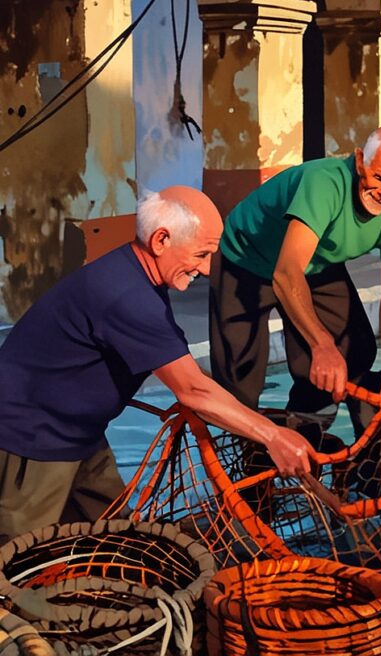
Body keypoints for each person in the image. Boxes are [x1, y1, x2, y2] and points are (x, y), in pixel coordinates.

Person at [0, 186, 316, 540]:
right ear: (161, 239)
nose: (208, 268)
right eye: (200, 253)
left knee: (116, 536)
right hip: (29, 439)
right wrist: (272, 436)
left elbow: (183, 371)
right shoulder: (128, 297)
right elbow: (193, 389)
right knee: (20, 557)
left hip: (81, 435)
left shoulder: (132, 273)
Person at [210, 125, 381, 435]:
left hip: (317, 263)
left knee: (355, 353)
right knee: (238, 381)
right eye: (380, 178)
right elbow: (285, 274)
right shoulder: (324, 183)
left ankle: (313, 435)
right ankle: (251, 471)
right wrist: (321, 344)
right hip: (246, 257)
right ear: (361, 160)